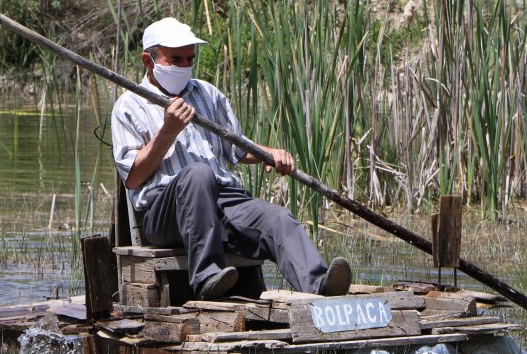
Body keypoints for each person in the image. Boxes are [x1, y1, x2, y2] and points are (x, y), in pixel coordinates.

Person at [112, 17, 352, 301]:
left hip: (224, 202)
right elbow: (134, 177)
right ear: (149, 61)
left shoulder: (207, 94)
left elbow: (237, 148)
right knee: (198, 174)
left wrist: (270, 153)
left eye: (189, 59)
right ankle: (206, 278)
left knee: (277, 218)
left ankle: (320, 285)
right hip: (167, 214)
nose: (184, 66)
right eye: (175, 59)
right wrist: (168, 131)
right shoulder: (129, 105)